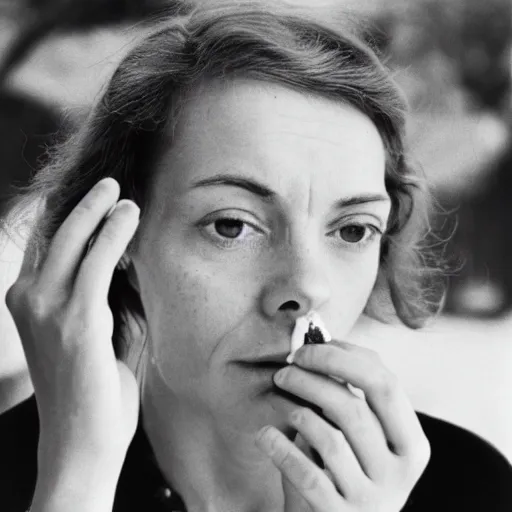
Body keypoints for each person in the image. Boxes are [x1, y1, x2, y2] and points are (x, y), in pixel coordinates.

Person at [2, 2, 511, 511]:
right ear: (118, 243)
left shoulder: (473, 487)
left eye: (354, 230)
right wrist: (76, 475)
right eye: (232, 225)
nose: (309, 288)